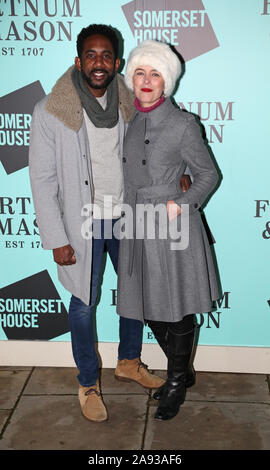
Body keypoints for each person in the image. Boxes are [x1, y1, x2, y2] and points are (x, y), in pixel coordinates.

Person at [29, 25, 168, 423]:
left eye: (106, 55)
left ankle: (128, 361)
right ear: (78, 61)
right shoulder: (50, 110)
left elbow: (156, 148)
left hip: (126, 217)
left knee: (134, 295)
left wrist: (180, 176)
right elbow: (41, 178)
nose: (99, 63)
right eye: (91, 55)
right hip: (80, 225)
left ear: (118, 63)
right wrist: (56, 237)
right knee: (83, 305)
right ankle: (88, 381)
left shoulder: (131, 102)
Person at [116, 40, 222, 421]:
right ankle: (183, 370)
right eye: (140, 73)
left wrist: (183, 202)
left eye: (155, 74)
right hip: (135, 224)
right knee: (147, 305)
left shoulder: (182, 124)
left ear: (167, 81)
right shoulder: (128, 118)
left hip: (171, 225)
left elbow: (208, 174)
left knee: (175, 309)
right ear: (131, 78)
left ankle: (177, 380)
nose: (147, 81)